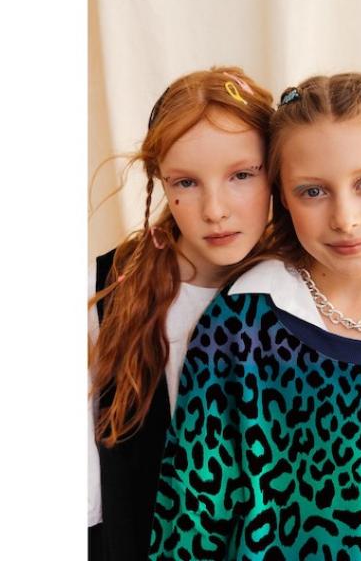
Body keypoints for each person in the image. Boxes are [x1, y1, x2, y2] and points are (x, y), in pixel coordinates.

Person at [149, 73, 361, 560]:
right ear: (283, 197)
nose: (345, 217)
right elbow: (191, 522)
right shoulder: (241, 327)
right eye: (313, 191)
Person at [88, 66, 274, 561]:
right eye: (186, 182)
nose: (214, 209)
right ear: (160, 180)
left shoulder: (300, 293)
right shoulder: (104, 292)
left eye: (241, 175)